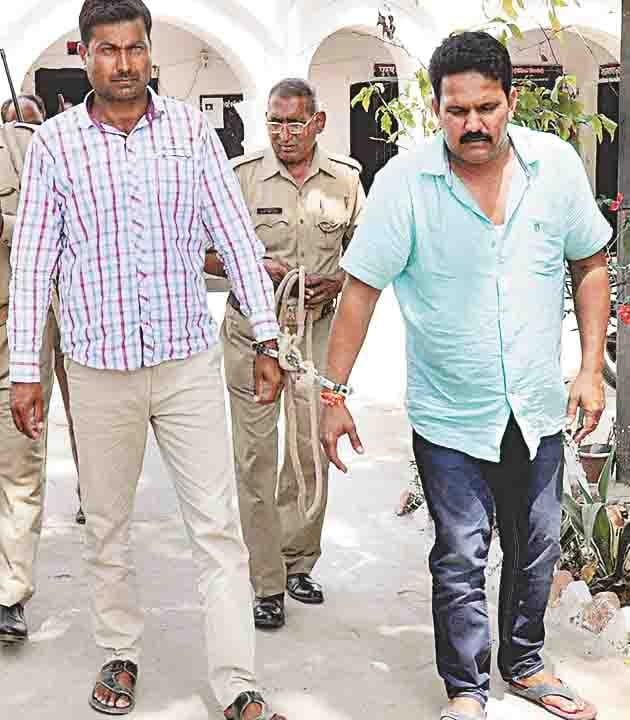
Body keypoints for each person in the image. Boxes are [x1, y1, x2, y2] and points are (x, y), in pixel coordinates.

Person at [320, 31, 609, 720]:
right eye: (457, 111)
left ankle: (527, 664)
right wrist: (333, 394)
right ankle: (466, 688)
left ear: (511, 101)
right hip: (450, 412)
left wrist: (589, 369)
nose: (473, 124)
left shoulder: (555, 166)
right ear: (436, 109)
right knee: (459, 555)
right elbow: (360, 291)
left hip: (535, 407)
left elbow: (590, 263)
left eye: (487, 107)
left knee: (537, 547)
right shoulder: (404, 183)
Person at [9, 2, 285, 718]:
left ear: (150, 50)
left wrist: (267, 338)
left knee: (216, 526)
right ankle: (120, 651)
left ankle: (237, 682)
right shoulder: (55, 145)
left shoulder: (192, 133)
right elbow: (33, 264)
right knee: (108, 525)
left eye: (135, 48)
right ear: (84, 54)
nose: (124, 64)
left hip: (186, 362)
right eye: (108, 50)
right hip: (98, 371)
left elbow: (237, 237)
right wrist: (26, 370)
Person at [205, 78, 365, 630]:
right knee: (255, 457)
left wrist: (337, 280)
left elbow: (365, 256)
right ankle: (266, 580)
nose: (284, 133)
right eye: (275, 122)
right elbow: (202, 251)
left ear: (318, 123)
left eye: (295, 122)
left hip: (315, 335)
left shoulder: (346, 180)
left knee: (310, 449)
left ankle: (298, 561)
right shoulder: (239, 177)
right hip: (252, 334)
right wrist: (251, 268)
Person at [2, 94, 84, 524]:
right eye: (19, 123)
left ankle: (93, 494)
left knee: (84, 410)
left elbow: (68, 226)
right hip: (22, 313)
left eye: (35, 122)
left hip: (68, 306)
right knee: (27, 422)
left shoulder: (51, 155)